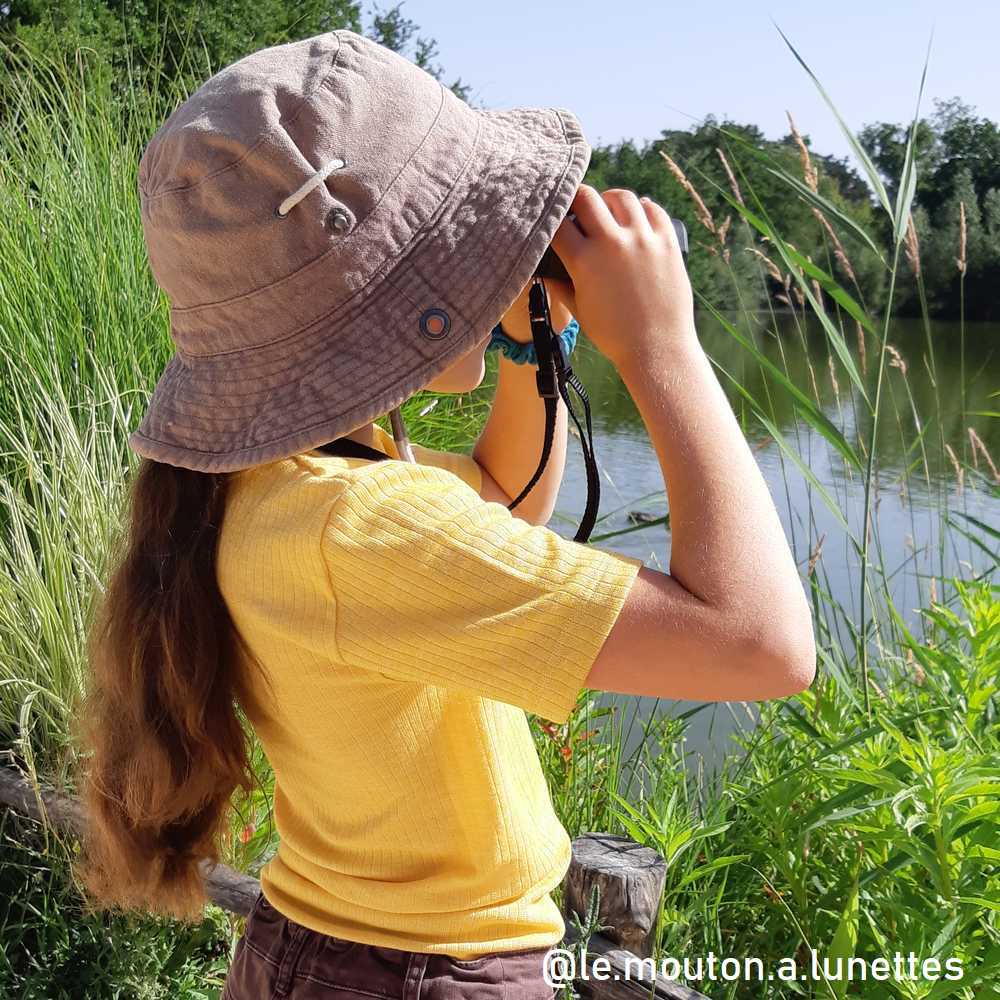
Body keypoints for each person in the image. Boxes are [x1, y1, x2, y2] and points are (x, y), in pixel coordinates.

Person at [76, 29, 815, 1000]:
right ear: (393, 294)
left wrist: (524, 348)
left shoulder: (289, 484)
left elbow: (497, 498)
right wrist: (663, 349)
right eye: (475, 239)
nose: (502, 259)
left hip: (334, 948)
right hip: (422, 973)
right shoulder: (357, 524)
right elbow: (760, 645)